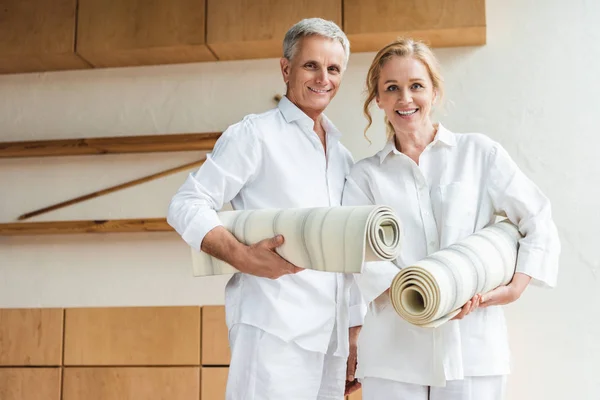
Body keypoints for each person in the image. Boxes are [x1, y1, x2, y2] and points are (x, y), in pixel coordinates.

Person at [342, 38, 560, 399]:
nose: (405, 99)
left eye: (416, 86)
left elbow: (537, 217)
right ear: (377, 99)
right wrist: (428, 298)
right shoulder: (364, 177)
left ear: (435, 92)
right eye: (391, 88)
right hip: (394, 356)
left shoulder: (480, 154)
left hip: (473, 351)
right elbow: (361, 258)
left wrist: (515, 287)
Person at [168, 18, 363, 400]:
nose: (323, 77)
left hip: (332, 341)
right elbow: (186, 203)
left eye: (334, 68)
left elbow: (347, 256)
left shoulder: (343, 156)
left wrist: (353, 336)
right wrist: (241, 256)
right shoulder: (254, 134)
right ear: (286, 68)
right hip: (273, 330)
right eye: (311, 65)